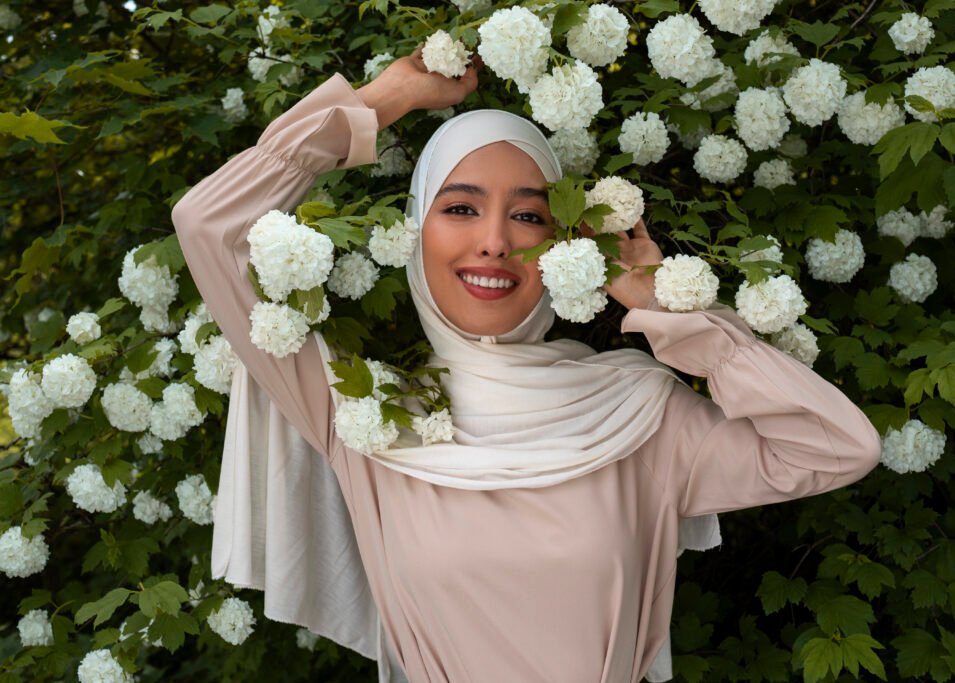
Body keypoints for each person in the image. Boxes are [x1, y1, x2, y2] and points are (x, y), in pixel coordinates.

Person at [171, 47, 882, 683]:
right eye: (459, 207)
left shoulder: (641, 417)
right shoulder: (365, 415)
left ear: (563, 246)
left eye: (529, 216)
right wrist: (386, 100)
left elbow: (835, 447)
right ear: (415, 234)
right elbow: (210, 226)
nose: (494, 242)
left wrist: (674, 314)